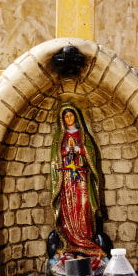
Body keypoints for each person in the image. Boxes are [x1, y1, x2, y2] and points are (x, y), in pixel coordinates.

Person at [49, 102, 104, 259]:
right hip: (66, 178)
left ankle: (85, 239)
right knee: (69, 206)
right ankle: (70, 240)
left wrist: (80, 150)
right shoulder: (59, 138)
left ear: (76, 117)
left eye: (71, 115)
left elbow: (91, 153)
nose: (69, 118)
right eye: (66, 116)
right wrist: (65, 152)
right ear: (62, 119)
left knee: (83, 204)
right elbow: (54, 159)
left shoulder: (83, 135)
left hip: (81, 176)